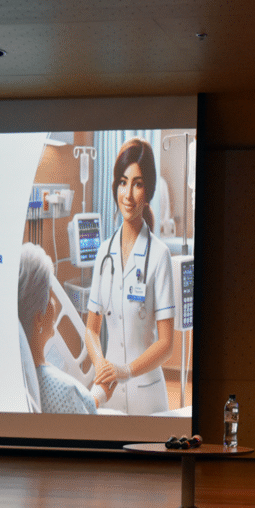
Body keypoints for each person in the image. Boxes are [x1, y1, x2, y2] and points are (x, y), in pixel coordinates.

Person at [85, 137, 175, 415]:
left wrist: (126, 370)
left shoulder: (159, 256)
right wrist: (101, 364)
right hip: (108, 390)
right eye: (123, 182)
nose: (128, 194)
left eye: (137, 184)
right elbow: (92, 328)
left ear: (147, 190)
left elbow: (166, 343)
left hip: (147, 397)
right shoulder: (104, 253)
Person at [18, 243, 112, 414]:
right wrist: (93, 398)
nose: (54, 304)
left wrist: (93, 398)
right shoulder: (68, 393)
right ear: (39, 317)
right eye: (51, 294)